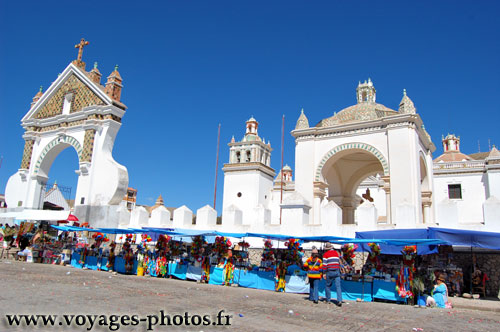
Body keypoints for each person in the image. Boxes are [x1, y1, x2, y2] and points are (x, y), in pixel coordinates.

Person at [322, 242, 343, 306]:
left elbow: (324, 265)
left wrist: (324, 273)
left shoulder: (325, 254)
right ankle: (339, 300)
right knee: (338, 286)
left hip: (329, 271)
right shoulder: (336, 253)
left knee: (328, 286)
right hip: (337, 271)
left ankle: (328, 300)